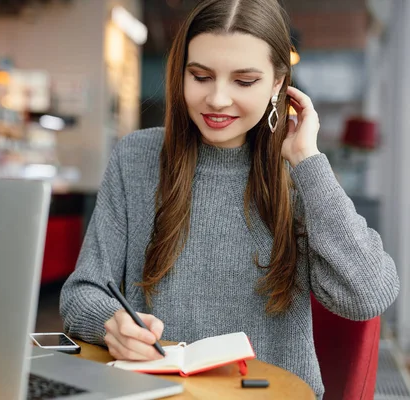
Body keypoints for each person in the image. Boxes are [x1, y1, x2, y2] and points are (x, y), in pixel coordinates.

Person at [59, 0, 399, 398]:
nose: (217, 100)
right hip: (155, 393)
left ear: (278, 84)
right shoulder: (136, 157)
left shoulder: (301, 172)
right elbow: (81, 293)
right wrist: (110, 322)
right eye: (200, 76)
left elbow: (367, 296)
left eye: (244, 81)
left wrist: (308, 161)